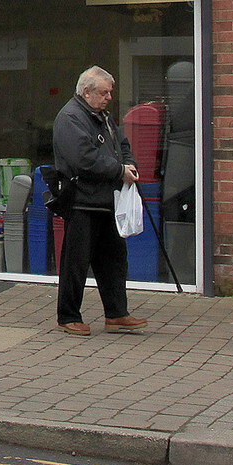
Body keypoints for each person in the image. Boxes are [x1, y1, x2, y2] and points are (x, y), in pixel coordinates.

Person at [52, 66, 145, 335]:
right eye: (104, 93)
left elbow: (121, 145)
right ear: (86, 91)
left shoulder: (103, 117)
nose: (108, 98)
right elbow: (83, 159)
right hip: (81, 201)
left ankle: (116, 313)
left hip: (107, 200)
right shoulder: (70, 118)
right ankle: (68, 315)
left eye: (110, 93)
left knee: (114, 259)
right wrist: (119, 171)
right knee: (76, 262)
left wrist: (129, 164)